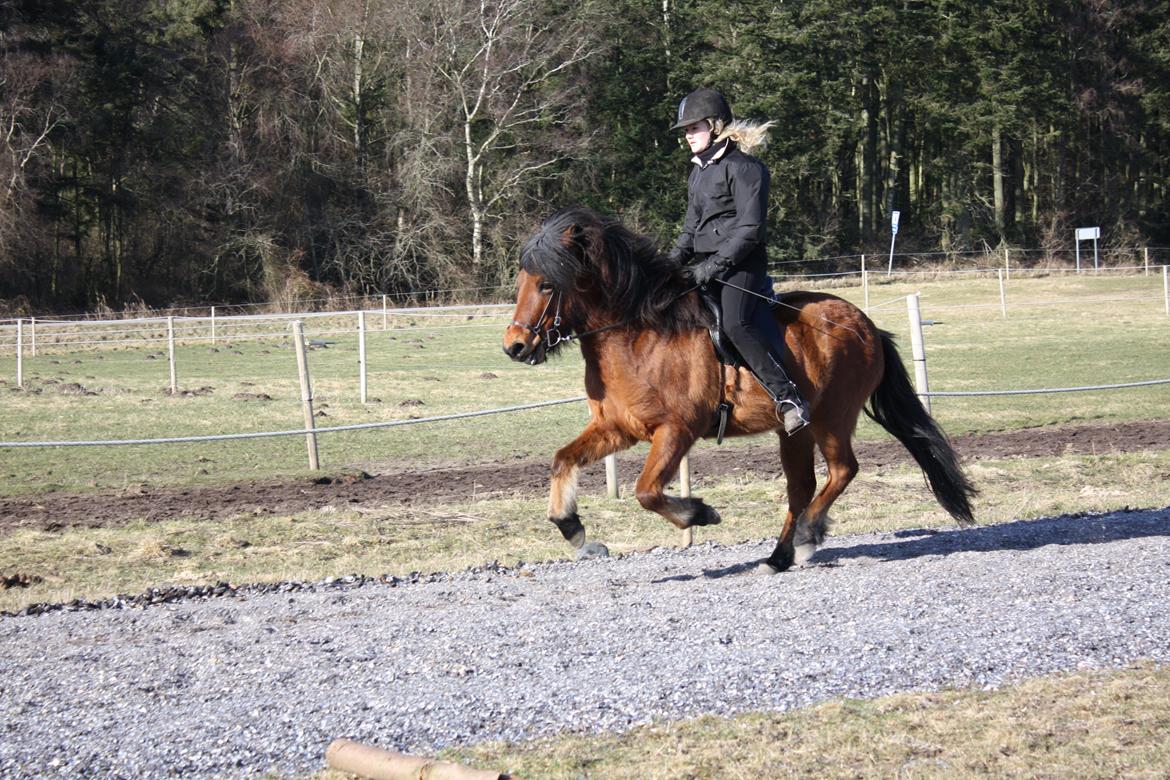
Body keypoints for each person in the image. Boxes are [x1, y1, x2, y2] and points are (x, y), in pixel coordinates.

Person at [668, 87, 811, 435]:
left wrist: (712, 267)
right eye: (685, 130)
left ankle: (788, 398)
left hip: (742, 267)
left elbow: (749, 230)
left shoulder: (746, 169)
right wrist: (666, 267)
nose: (688, 135)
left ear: (715, 126)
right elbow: (690, 231)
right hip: (707, 265)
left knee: (734, 323)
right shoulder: (698, 173)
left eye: (694, 128)